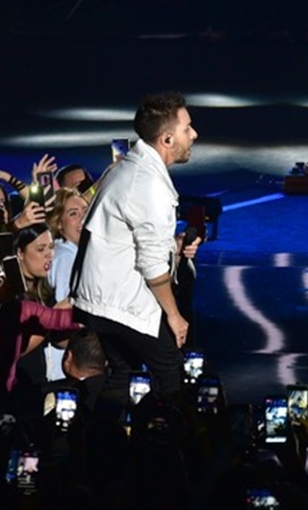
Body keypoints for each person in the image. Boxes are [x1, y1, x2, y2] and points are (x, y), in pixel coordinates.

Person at [70, 91, 201, 400]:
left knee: (121, 372)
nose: (194, 134)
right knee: (170, 369)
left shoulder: (127, 168)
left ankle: (105, 438)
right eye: (187, 128)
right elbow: (153, 266)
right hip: (120, 301)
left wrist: (175, 244)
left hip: (101, 299)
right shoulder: (147, 184)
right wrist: (174, 315)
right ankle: (172, 441)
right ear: (167, 140)